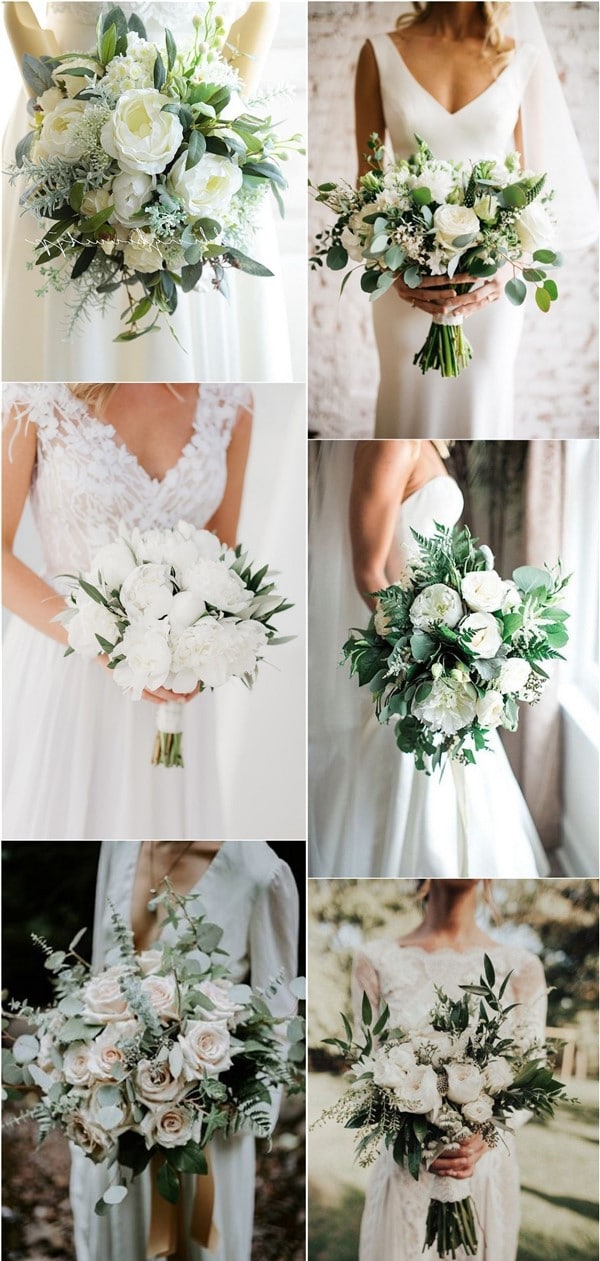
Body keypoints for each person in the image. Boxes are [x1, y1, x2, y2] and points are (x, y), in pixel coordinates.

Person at [2, 381, 252, 837]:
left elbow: (222, 551)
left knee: (164, 830)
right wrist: (95, 640)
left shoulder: (230, 400)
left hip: (170, 679)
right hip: (64, 662)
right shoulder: (35, 391)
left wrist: (203, 646)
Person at [3, 2, 292, 381]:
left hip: (197, 110)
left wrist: (215, 128)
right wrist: (60, 110)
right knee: (71, 329)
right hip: (62, 117)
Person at [351, 1, 597, 437]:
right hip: (405, 279)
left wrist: (506, 268)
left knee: (483, 398)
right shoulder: (379, 53)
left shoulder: (522, 60)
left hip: (490, 284)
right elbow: (366, 186)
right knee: (406, 399)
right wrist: (395, 269)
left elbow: (535, 186)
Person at [69, 839, 299, 1261]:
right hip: (112, 1120)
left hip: (205, 1138)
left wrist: (201, 1097)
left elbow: (279, 1022)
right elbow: (95, 981)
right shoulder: (118, 844)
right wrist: (86, 1074)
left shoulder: (259, 871)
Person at [308, 438, 547, 876]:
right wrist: (418, 658)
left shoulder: (427, 441)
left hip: (441, 639)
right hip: (414, 653)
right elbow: (369, 571)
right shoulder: (393, 443)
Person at [350, 878, 547, 1261]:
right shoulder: (376, 959)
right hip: (406, 1171)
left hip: (483, 1170)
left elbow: (533, 1075)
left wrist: (487, 1135)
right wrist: (411, 1135)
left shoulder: (522, 965)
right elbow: (367, 1068)